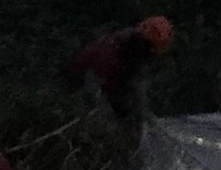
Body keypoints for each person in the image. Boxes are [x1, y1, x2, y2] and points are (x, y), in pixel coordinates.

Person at [61, 14, 174, 143]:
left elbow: (134, 85)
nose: (150, 58)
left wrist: (144, 114)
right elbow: (95, 96)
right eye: (150, 51)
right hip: (83, 91)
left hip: (103, 87)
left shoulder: (128, 49)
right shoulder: (108, 56)